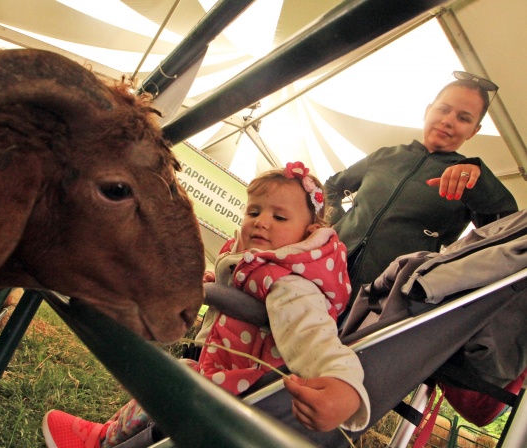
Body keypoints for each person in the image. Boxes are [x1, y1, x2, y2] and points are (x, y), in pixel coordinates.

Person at [42, 162, 370, 448]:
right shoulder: (263, 267)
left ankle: (102, 441)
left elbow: (313, 337)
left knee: (176, 383)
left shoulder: (293, 286)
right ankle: (110, 435)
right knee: (183, 376)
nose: (261, 222)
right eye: (253, 211)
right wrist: (221, 282)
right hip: (227, 374)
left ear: (309, 231)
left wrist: (344, 388)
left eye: (279, 216)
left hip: (249, 397)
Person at [324, 71, 518, 303]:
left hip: (385, 297)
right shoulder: (386, 156)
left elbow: (507, 233)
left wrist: (481, 178)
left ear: (474, 131)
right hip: (325, 270)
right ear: (428, 111)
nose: (448, 121)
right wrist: (338, 224)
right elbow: (330, 187)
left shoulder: (469, 178)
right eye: (443, 109)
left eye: (464, 118)